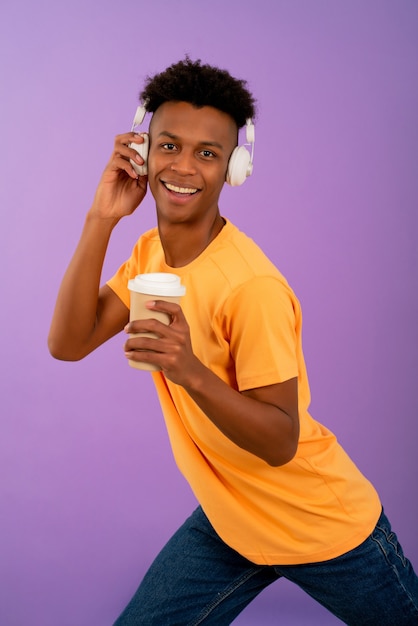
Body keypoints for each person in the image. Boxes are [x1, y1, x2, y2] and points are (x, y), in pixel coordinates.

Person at [48, 58, 418, 625]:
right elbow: (68, 343)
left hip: (317, 519)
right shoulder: (150, 253)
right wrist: (102, 218)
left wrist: (189, 370)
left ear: (233, 169)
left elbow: (279, 441)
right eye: (168, 146)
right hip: (232, 514)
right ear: (142, 151)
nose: (184, 167)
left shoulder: (251, 286)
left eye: (208, 153)